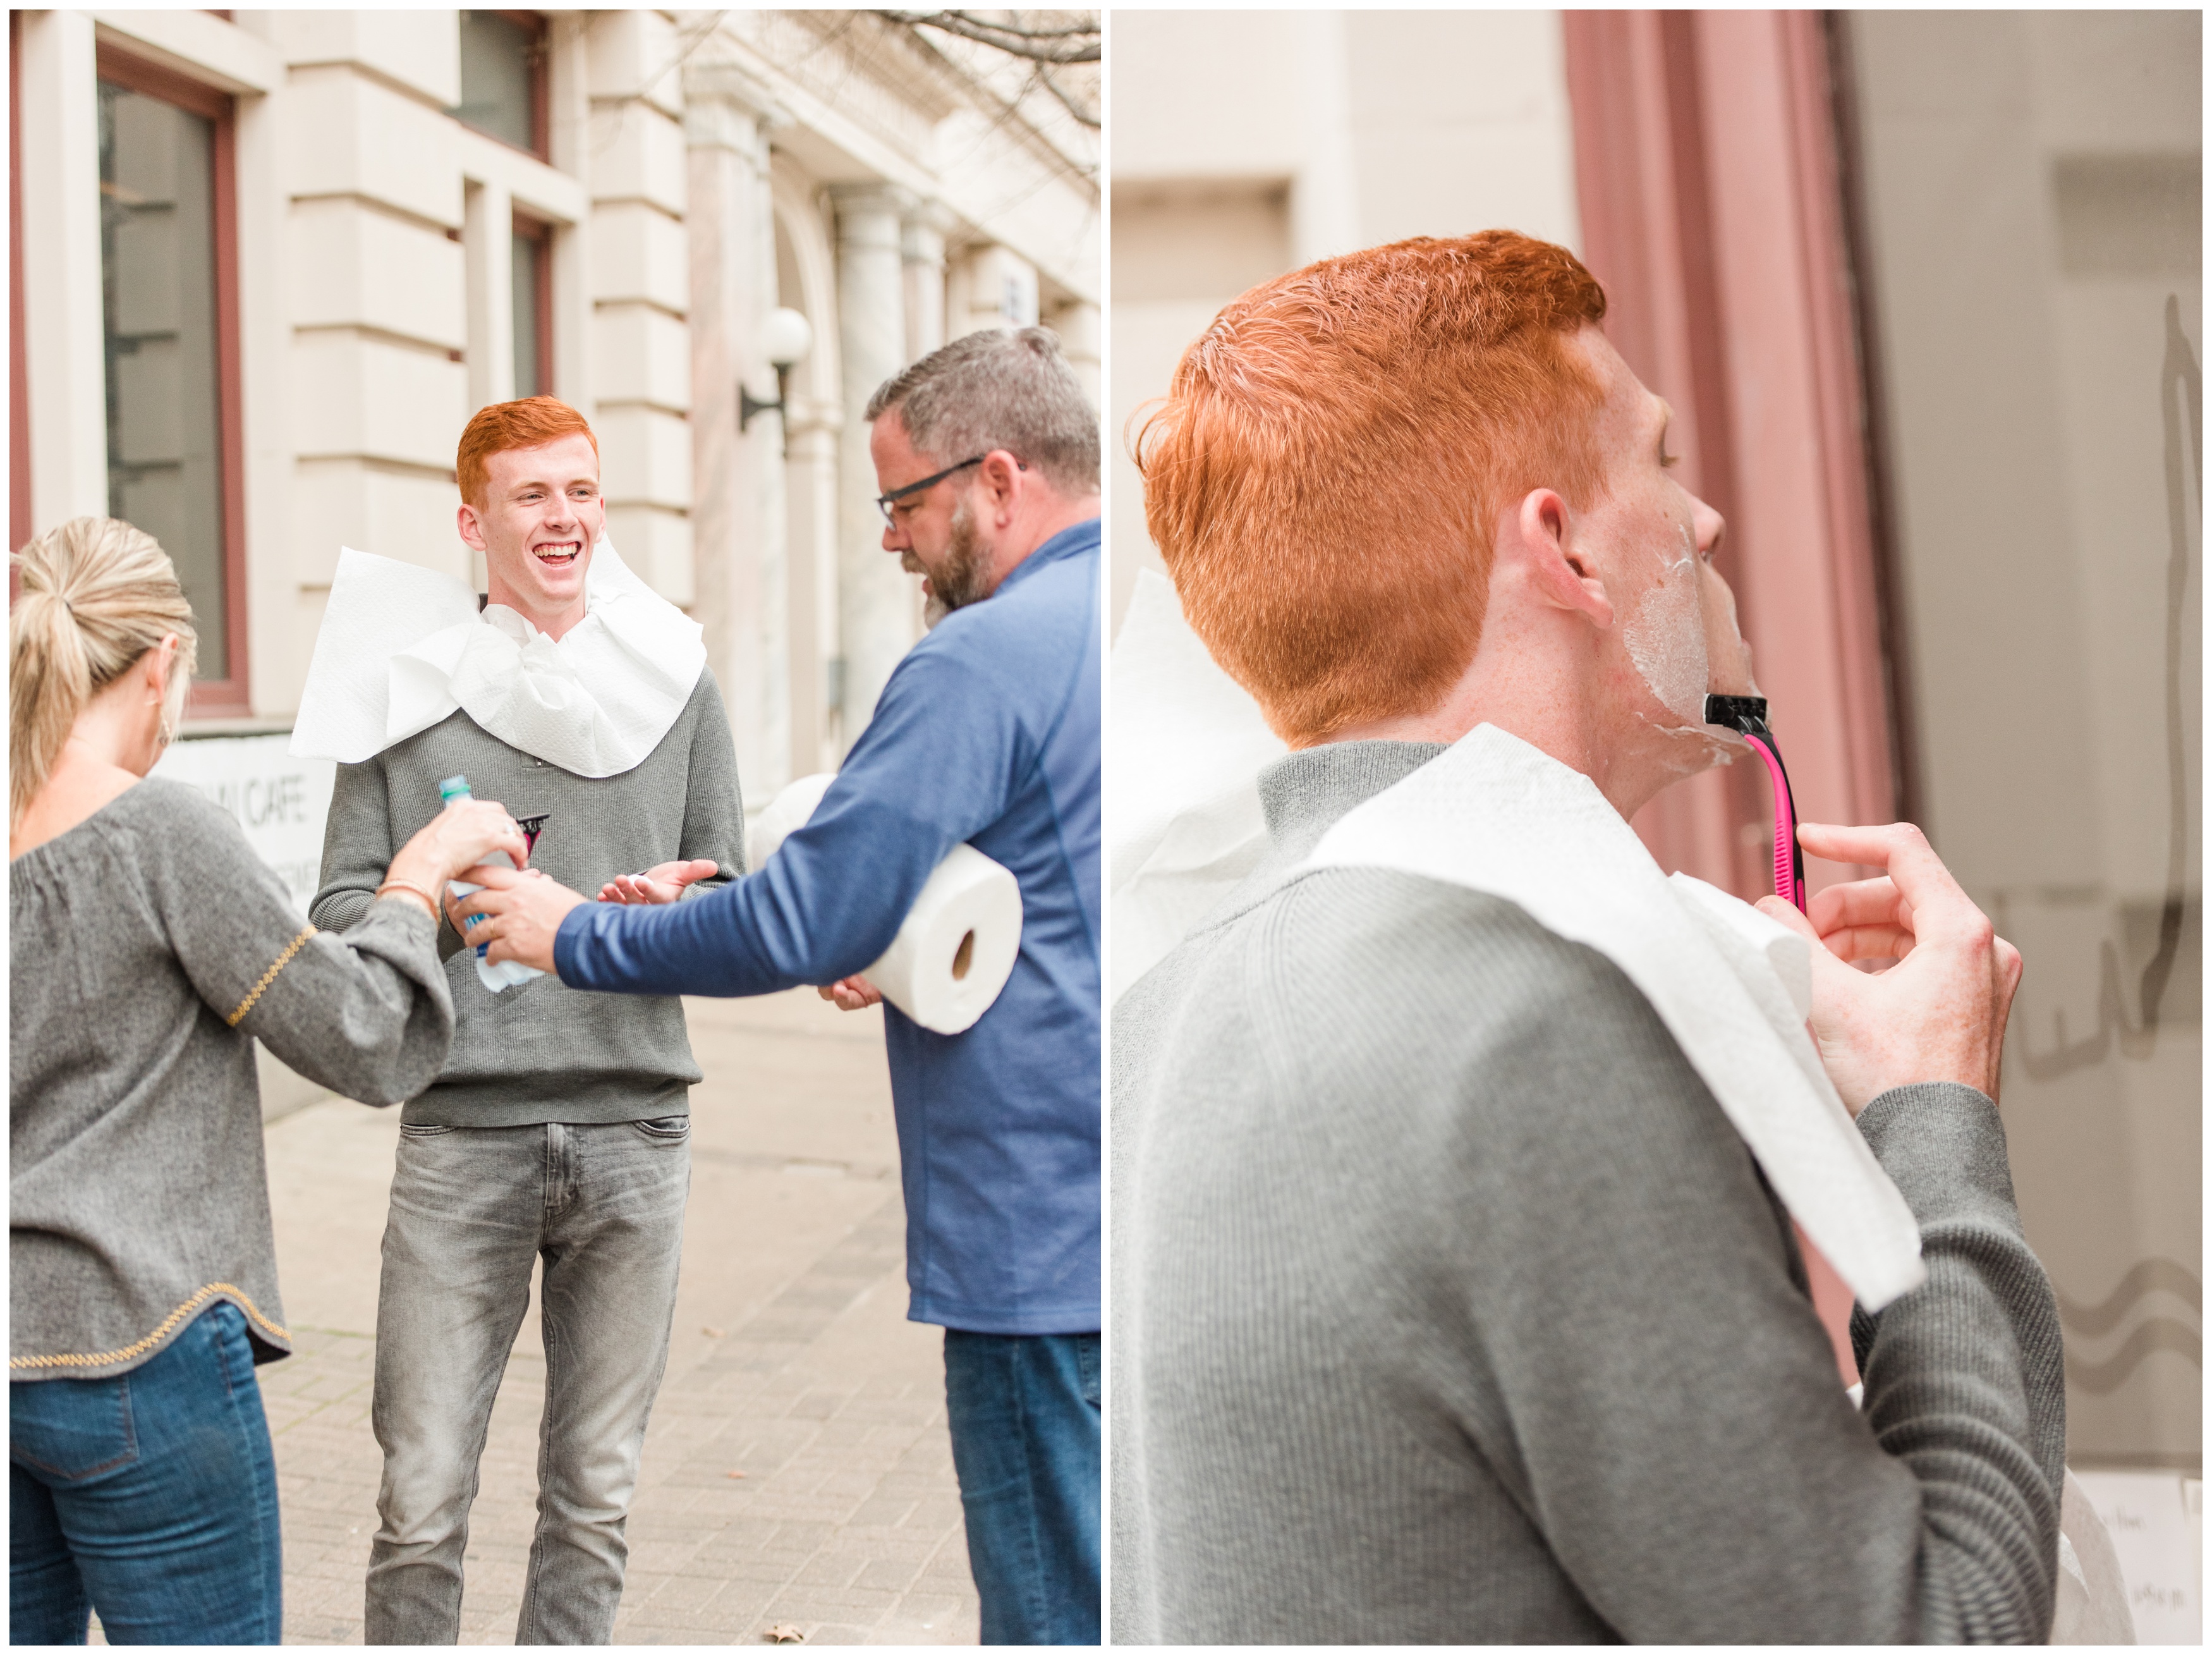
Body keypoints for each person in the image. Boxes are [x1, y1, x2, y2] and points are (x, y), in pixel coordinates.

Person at [1108, 233, 2064, 1642]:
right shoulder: (1522, 1023)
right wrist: (1935, 1112)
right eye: (1662, 459)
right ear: (1560, 545)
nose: (1708, 522)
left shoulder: (1165, 1005)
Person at [456, 326, 1104, 1645]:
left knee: (1049, 1611)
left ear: (994, 481)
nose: (889, 541)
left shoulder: (977, 659)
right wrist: (841, 924)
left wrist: (575, 933)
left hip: (1034, 1234)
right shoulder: (1115, 619)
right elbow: (1001, 880)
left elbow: (808, 915)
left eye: (901, 502)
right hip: (1114, 1201)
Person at [9, 517, 525, 1646]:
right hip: (141, 1346)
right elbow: (361, 1033)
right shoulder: (164, 835)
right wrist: (418, 876)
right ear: (159, 667)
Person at [293, 398, 745, 1644]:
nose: (564, 519)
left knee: (594, 1499)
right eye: (534, 497)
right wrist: (442, 885)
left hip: (637, 1130)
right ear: (471, 521)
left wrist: (680, 899)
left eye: (582, 493)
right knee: (421, 1496)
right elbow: (341, 905)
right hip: (462, 1138)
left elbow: (736, 887)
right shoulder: (408, 691)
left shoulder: (675, 677)